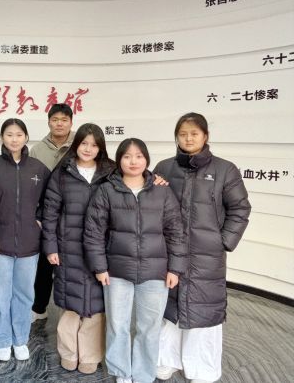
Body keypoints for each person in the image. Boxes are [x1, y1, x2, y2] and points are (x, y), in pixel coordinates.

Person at [154, 113, 251, 383]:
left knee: (204, 311)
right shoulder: (164, 167)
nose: (188, 139)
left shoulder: (225, 169)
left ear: (205, 136)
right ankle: (166, 360)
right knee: (169, 309)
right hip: (170, 252)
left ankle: (203, 368)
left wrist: (223, 241)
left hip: (207, 256)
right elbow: (151, 205)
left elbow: (240, 208)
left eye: (194, 133)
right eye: (183, 134)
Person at [85, 138, 187, 383]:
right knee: (117, 324)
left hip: (155, 272)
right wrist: (100, 267)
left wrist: (175, 268)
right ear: (119, 160)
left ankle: (143, 375)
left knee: (149, 327)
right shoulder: (107, 190)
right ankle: (121, 372)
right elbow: (94, 231)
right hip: (116, 271)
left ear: (147, 159)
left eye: (139, 156)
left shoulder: (162, 190)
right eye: (127, 156)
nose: (133, 161)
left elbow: (175, 231)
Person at [42, 123, 114, 374]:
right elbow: (50, 213)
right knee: (70, 303)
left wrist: (154, 178)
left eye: (94, 145)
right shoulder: (62, 172)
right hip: (67, 246)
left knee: (96, 305)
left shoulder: (111, 172)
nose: (88, 149)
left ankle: (91, 355)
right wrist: (51, 246)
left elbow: (136, 177)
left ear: (100, 148)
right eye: (84, 143)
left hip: (100, 248)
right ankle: (69, 352)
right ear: (76, 145)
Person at [0, 118, 50, 362]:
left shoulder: (38, 169)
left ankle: (20, 339)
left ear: (26, 137)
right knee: (0, 295)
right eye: (9, 134)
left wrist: (39, 220)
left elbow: (50, 201)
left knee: (24, 294)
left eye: (19, 134)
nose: (14, 139)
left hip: (30, 243)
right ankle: (2, 340)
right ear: (2, 137)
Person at [29, 103, 75, 322]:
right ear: (48, 122)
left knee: (71, 263)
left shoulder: (80, 144)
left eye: (64, 120)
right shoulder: (38, 149)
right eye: (55, 120)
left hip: (74, 212)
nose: (59, 124)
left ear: (71, 122)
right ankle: (39, 308)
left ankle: (72, 309)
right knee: (44, 263)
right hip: (46, 212)